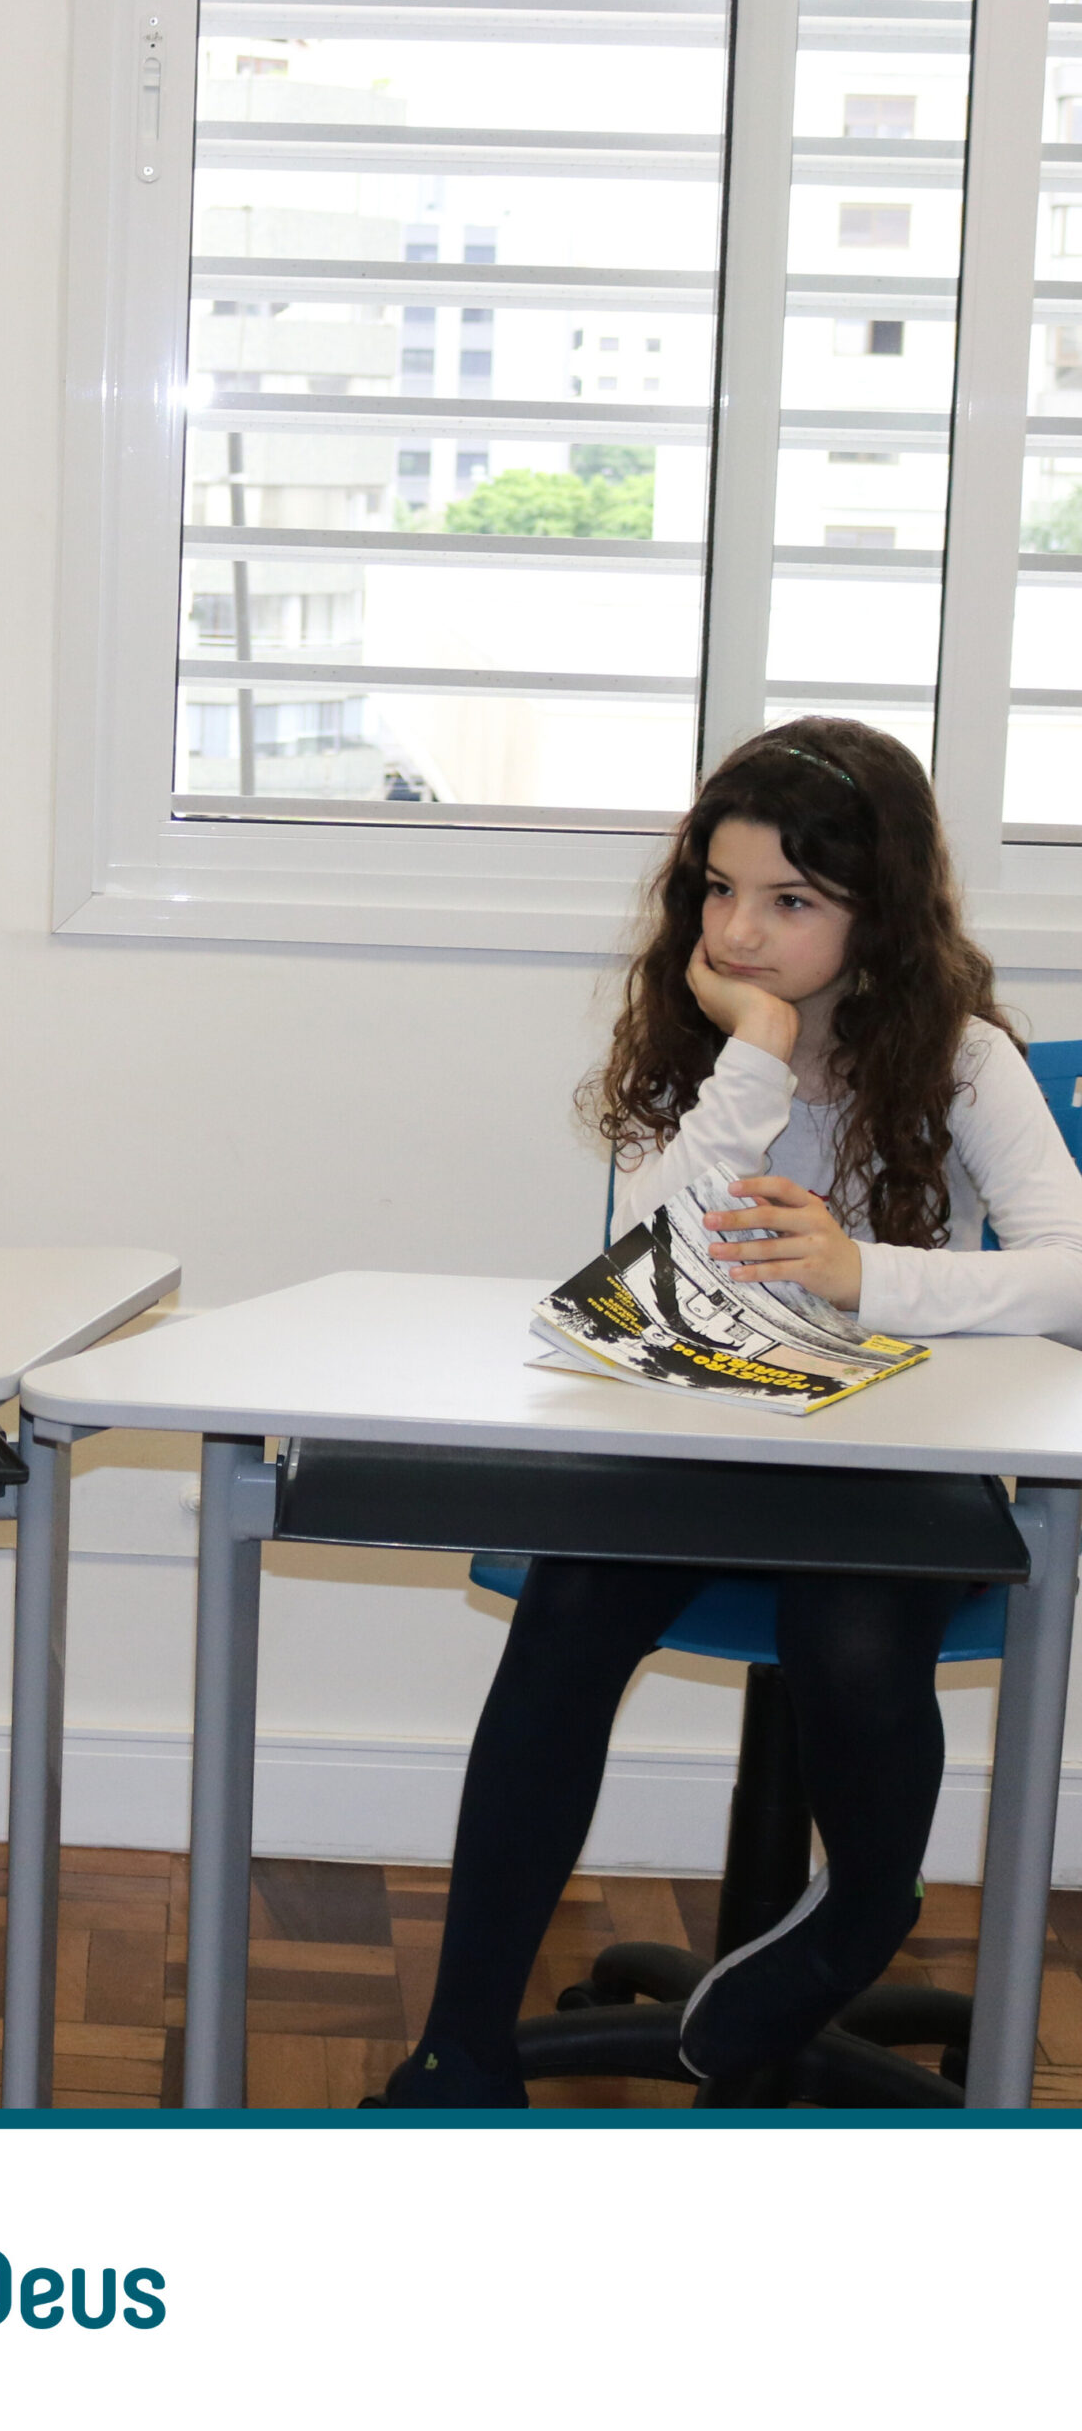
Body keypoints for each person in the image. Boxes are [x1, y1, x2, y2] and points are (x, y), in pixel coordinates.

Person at [381, 716, 1082, 2108]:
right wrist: (753, 1052)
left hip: (897, 1460)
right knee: (572, 1602)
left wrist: (862, 1275)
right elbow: (650, 1261)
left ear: (880, 915)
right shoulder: (698, 1041)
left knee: (849, 1625)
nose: (740, 930)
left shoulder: (964, 1061)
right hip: (705, 1440)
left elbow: (1073, 1272)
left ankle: (865, 1906)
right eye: (719, 889)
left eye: (791, 901)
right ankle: (461, 2050)